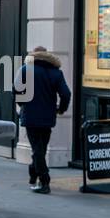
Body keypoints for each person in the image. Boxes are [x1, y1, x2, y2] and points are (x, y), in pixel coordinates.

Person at [15, 46, 70, 194]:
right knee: (41, 148)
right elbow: (66, 94)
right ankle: (33, 172)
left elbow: (16, 89)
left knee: (37, 149)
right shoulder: (56, 73)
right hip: (47, 117)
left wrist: (22, 104)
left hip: (30, 116)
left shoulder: (26, 69)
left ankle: (44, 181)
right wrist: (61, 109)